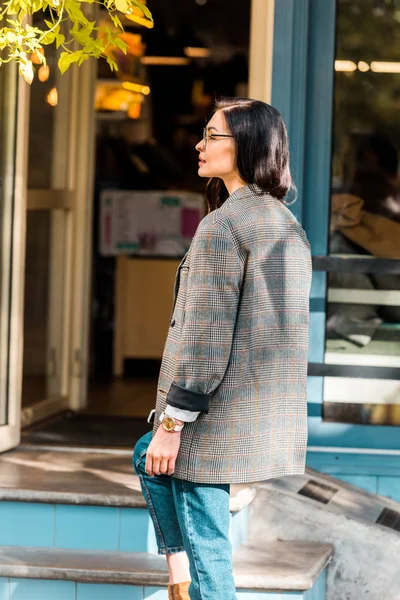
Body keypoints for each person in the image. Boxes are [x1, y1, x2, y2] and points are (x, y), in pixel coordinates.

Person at [132, 97, 312, 600]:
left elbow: (205, 339)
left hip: (212, 416)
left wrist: (172, 424)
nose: (199, 144)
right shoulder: (279, 220)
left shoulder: (222, 227)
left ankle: (189, 584)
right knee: (144, 454)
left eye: (214, 136)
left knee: (210, 548)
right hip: (253, 413)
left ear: (247, 146)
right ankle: (178, 581)